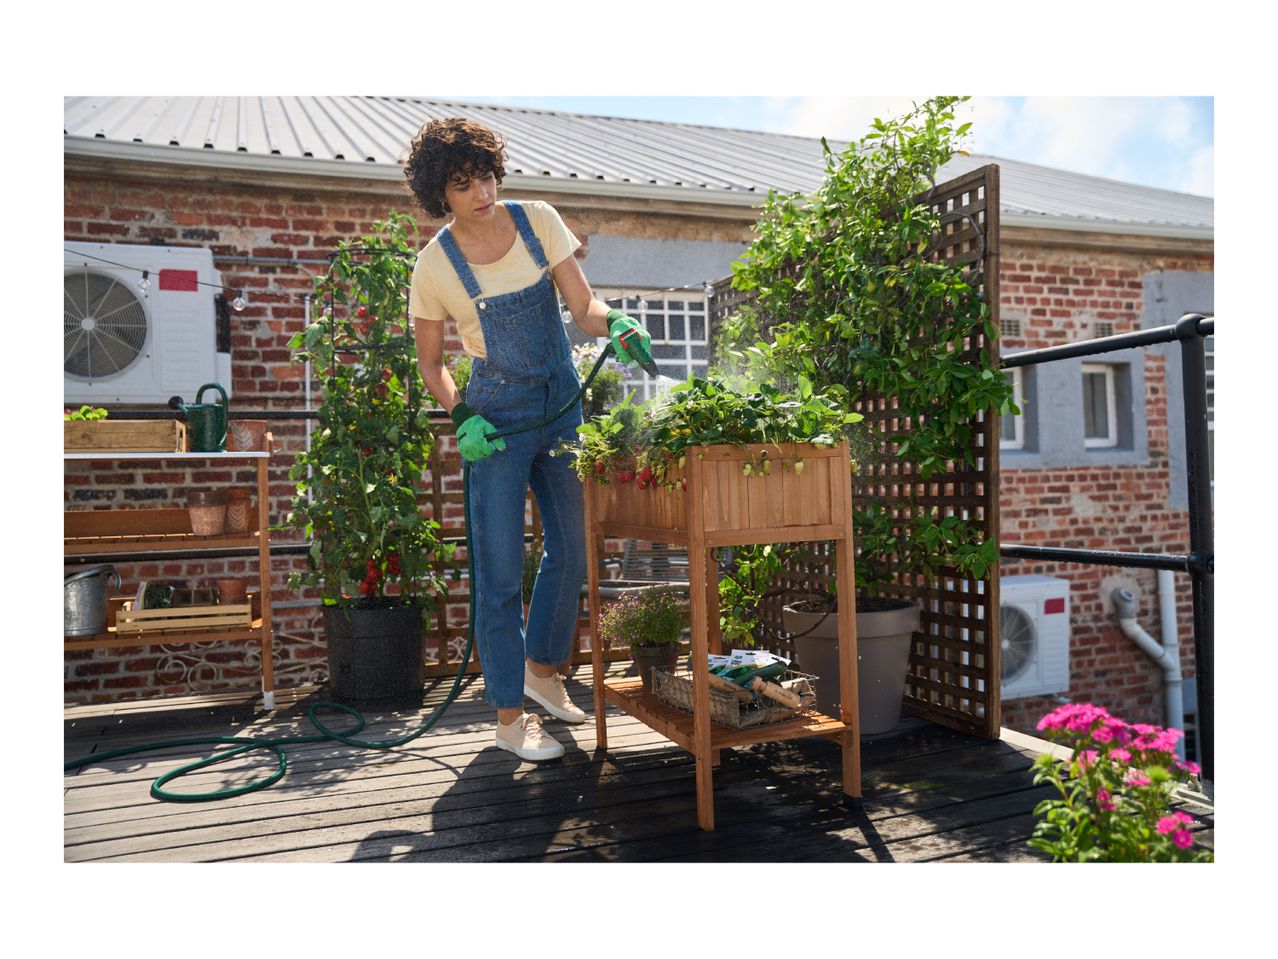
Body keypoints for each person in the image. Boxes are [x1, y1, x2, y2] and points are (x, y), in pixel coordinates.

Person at [404, 118, 651, 762]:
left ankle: (543, 673)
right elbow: (431, 364)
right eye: (463, 184)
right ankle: (510, 719)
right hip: (497, 420)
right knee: (500, 569)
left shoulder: (539, 220)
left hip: (560, 401)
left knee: (572, 548)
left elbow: (583, 308)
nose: (481, 192)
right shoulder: (435, 265)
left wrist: (616, 321)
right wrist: (461, 416)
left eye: (485, 175)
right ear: (441, 193)